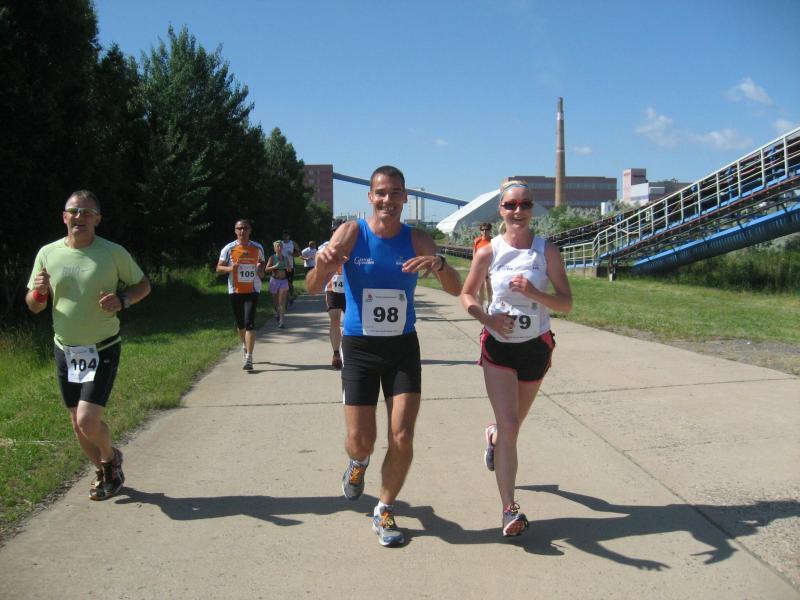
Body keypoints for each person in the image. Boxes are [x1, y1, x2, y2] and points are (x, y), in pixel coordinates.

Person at [307, 165, 462, 547]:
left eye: (395, 193)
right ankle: (358, 463)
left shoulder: (417, 239)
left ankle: (385, 507)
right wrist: (323, 264)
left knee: (402, 435)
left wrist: (440, 265)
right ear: (370, 197)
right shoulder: (351, 233)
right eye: (381, 192)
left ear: (405, 197)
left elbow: (456, 289)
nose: (387, 200)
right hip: (360, 347)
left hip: (402, 346)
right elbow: (312, 287)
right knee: (362, 440)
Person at [460, 180, 572, 537]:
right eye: (510, 205)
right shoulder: (488, 251)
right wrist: (488, 319)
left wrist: (536, 293)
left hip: (535, 347)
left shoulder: (547, 251)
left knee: (511, 427)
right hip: (499, 346)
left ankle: (493, 437)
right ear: (501, 210)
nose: (518, 211)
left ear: (532, 208)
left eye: (524, 204)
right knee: (510, 426)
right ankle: (509, 510)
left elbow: (566, 302)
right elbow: (467, 295)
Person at [26, 190, 151, 501]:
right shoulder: (48, 253)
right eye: (73, 211)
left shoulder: (112, 252)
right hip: (65, 349)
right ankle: (105, 472)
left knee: (87, 419)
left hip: (102, 346)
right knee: (76, 422)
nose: (79, 217)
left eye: (86, 212)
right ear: (64, 217)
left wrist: (122, 300)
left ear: (97, 219)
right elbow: (35, 306)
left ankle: (110, 458)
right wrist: (39, 292)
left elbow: (143, 285)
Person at [216, 219, 266, 370]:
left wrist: (260, 269)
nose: (242, 231)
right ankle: (244, 344)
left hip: (252, 289)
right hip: (235, 290)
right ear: (235, 231)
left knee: (249, 322)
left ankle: (249, 357)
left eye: (245, 228)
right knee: (240, 324)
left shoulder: (257, 247)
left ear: (250, 230)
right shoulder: (229, 248)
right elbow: (218, 268)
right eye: (239, 228)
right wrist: (231, 269)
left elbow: (262, 263)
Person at [319, 221, 346, 370]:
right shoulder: (324, 247)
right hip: (332, 288)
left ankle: (348, 351)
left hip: (350, 289)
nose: (338, 233)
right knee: (335, 320)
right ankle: (336, 353)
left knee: (350, 321)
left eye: (341, 230)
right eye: (335, 230)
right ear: (332, 232)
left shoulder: (353, 246)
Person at [265, 240, 290, 328]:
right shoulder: (272, 257)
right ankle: (277, 312)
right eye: (277, 246)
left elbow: (289, 269)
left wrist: (288, 268)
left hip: (283, 281)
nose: (279, 248)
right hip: (274, 281)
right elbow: (266, 269)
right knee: (275, 302)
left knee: (282, 301)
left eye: (280, 246)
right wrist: (274, 266)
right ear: (274, 248)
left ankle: (281, 321)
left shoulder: (285, 258)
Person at [473, 222, 493, 309]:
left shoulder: (493, 241)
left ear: (490, 230)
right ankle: (480, 304)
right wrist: (474, 266)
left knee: (488, 285)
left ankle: (490, 303)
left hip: (489, 266)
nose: (484, 231)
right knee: (480, 286)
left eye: (487, 230)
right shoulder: (477, 241)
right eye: (482, 230)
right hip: (479, 267)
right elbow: (474, 253)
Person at [280, 230, 300, 305]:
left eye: (287, 235)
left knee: (289, 283)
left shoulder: (293, 243)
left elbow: (299, 253)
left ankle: (291, 295)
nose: (285, 236)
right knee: (282, 282)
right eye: (284, 235)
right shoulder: (280, 243)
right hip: (281, 266)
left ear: (289, 236)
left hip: (290, 266)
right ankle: (283, 298)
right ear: (282, 236)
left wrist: (292, 254)